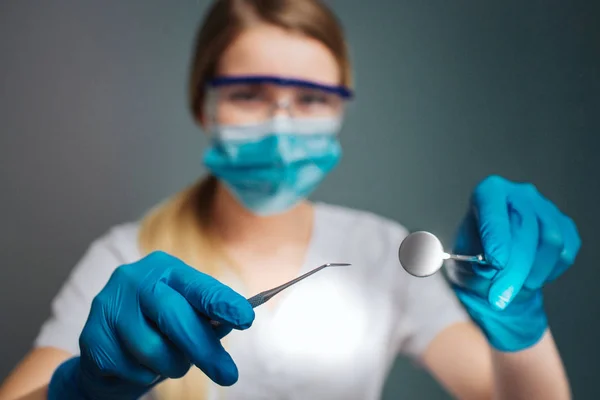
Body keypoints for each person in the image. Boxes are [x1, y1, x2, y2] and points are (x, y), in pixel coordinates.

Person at [0, 0, 581, 399]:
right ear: (203, 106)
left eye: (309, 99)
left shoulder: (378, 249)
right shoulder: (128, 259)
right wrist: (78, 390)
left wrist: (521, 326)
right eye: (249, 94)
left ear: (340, 111)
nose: (281, 123)